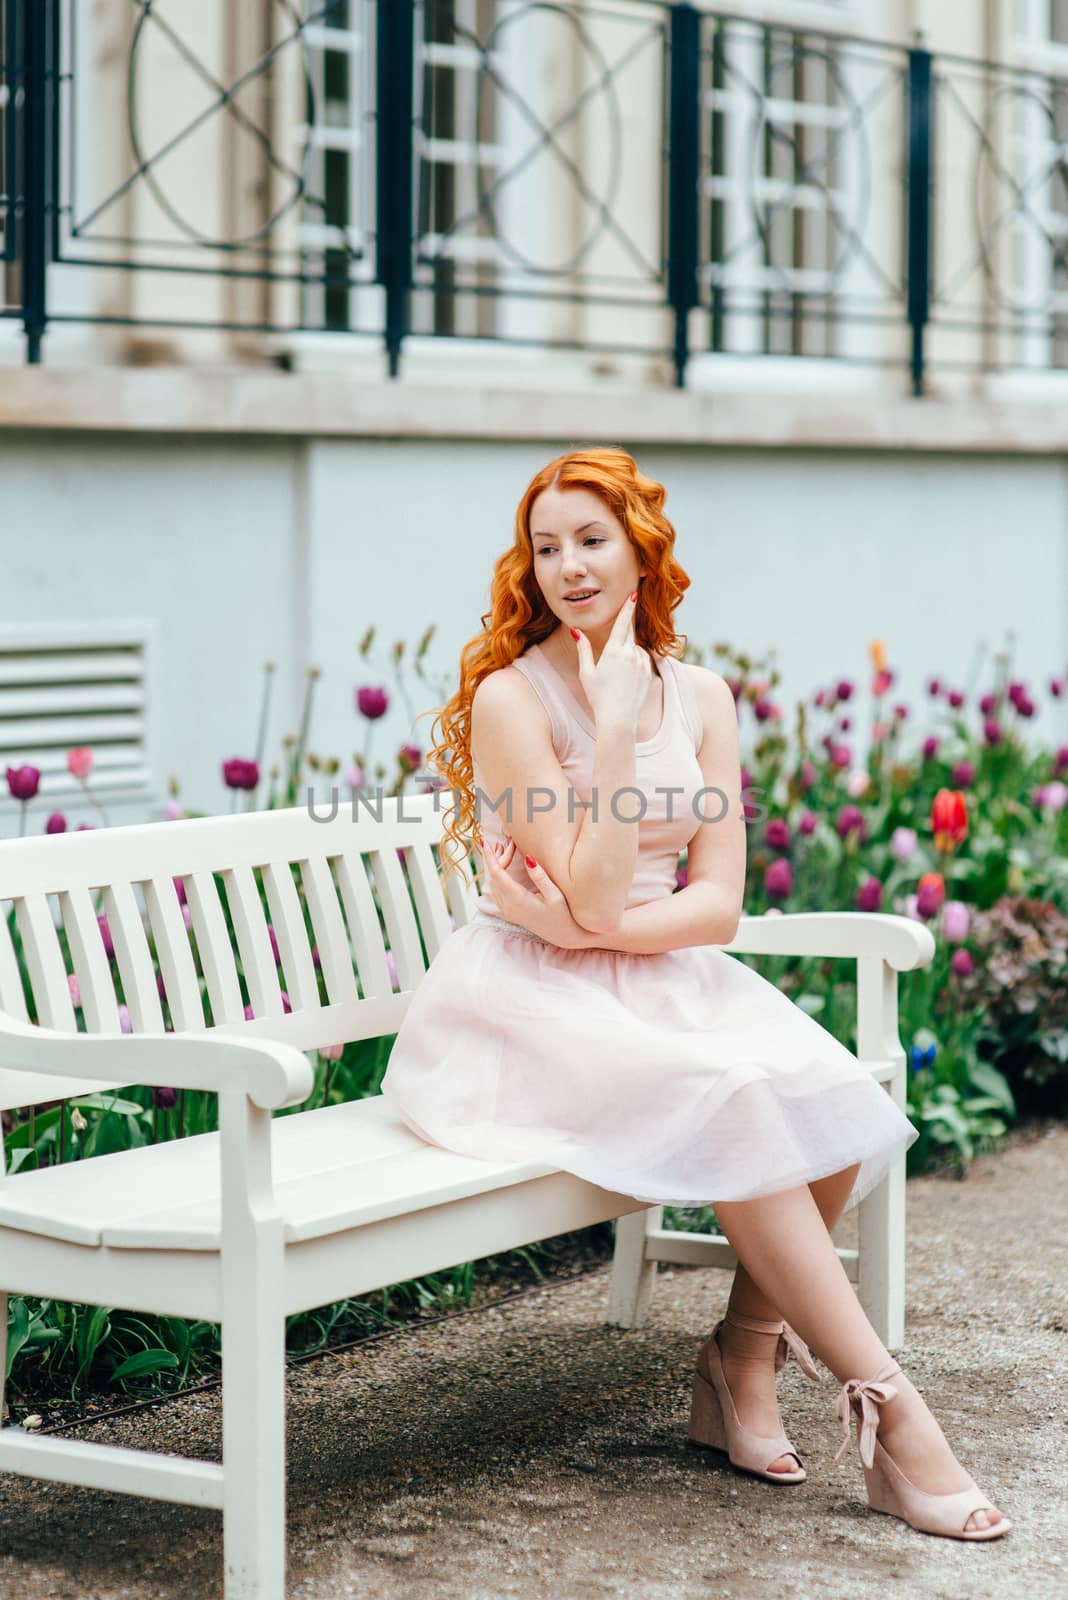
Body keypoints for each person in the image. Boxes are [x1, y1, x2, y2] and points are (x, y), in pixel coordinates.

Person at [380, 448, 1009, 1540]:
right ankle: (898, 1421)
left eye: (590, 539)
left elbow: (714, 904)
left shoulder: (706, 697)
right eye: (546, 546)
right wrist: (613, 725)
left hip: (655, 973)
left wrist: (593, 922)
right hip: (525, 1006)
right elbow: (583, 884)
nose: (568, 565)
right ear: (528, 569)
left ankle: (737, 1359)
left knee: (828, 1099)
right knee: (737, 1095)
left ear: (638, 550)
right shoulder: (509, 700)